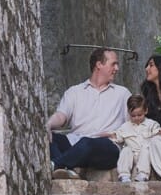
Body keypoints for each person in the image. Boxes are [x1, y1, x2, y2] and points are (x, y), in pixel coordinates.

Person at [46, 47, 128, 179]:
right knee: (47, 137)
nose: (117, 68)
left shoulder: (123, 94)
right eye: (113, 64)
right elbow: (61, 116)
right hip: (75, 144)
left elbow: (133, 124)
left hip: (107, 146)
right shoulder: (74, 92)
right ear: (99, 65)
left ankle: (55, 165)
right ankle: (68, 170)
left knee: (88, 142)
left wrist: (117, 134)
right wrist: (48, 125)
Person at [107, 94, 159, 182]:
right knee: (125, 149)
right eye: (133, 116)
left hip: (146, 156)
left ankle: (143, 174)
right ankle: (124, 175)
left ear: (146, 111)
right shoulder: (124, 127)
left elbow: (157, 138)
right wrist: (112, 136)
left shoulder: (152, 125)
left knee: (147, 148)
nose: (136, 118)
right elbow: (118, 138)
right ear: (129, 113)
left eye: (139, 115)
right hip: (132, 155)